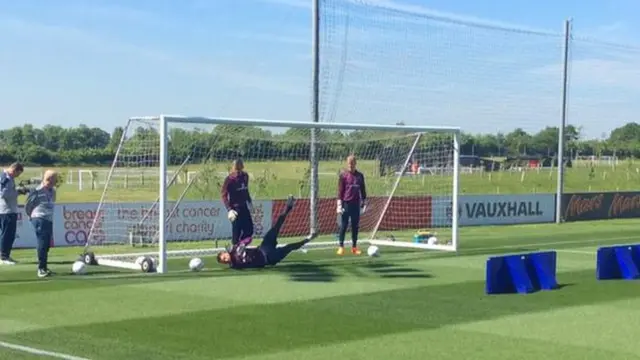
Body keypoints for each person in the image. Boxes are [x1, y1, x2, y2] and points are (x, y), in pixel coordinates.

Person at [217, 195, 314, 269]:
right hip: (268, 258)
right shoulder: (235, 265)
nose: (226, 259)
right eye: (224, 261)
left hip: (263, 248)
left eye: (224, 257)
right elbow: (239, 262)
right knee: (288, 247)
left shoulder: (234, 250)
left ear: (225, 253)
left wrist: (241, 244)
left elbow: (249, 239)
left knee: (276, 227)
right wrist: (238, 251)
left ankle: (288, 207)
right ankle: (307, 240)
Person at [25, 170, 57, 278]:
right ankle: (41, 268)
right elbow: (28, 204)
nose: (54, 182)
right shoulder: (37, 190)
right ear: (47, 179)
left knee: (47, 244)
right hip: (39, 217)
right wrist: (30, 215)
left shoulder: (53, 191)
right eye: (53, 179)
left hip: (48, 219)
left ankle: (44, 266)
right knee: (42, 242)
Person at [336, 155, 367, 256]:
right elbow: (340, 191)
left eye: (352, 163)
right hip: (346, 204)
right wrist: (339, 204)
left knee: (355, 226)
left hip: (356, 204)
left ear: (355, 163)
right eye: (349, 163)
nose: (351, 165)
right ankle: (341, 247)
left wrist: (364, 202)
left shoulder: (360, 176)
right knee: (344, 225)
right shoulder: (343, 175)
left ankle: (354, 247)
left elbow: (363, 190)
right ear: (347, 163)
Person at [221, 159, 254, 246]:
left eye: (240, 167)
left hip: (244, 207)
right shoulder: (229, 179)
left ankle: (240, 247)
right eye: (237, 168)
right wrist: (229, 209)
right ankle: (235, 251)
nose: (238, 170)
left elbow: (246, 190)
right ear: (233, 168)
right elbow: (223, 195)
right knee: (236, 233)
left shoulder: (245, 176)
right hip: (235, 210)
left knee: (249, 230)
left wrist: (249, 202)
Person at [0, 162, 26, 265]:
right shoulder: (5, 177)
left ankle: (6, 255)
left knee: (9, 234)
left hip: (8, 209)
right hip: (6, 210)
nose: (17, 176)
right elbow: (4, 194)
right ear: (14, 170)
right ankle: (3, 257)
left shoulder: (8, 178)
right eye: (18, 173)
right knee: (7, 234)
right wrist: (18, 192)